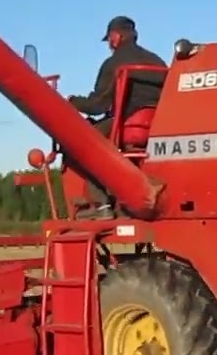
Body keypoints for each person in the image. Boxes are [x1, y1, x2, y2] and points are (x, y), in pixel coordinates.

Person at [65, 15, 168, 216]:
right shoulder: (157, 61)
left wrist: (72, 102)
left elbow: (99, 104)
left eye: (109, 41)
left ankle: (100, 205)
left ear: (115, 37)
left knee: (82, 141)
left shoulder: (114, 63)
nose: (109, 46)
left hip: (127, 122)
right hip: (156, 126)